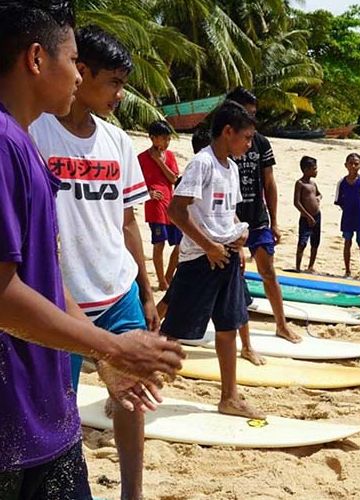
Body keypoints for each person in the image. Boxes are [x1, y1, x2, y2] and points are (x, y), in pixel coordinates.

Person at [0, 4, 183, 497]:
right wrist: (108, 345)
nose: (80, 79)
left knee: (125, 404)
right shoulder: (14, 141)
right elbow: (4, 293)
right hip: (19, 393)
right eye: (73, 60)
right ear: (39, 59)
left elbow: (56, 267)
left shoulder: (39, 141)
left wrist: (115, 338)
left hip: (88, 316)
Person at [29, 25, 160, 499]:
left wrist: (145, 290)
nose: (121, 96)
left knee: (131, 397)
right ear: (81, 73)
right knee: (57, 409)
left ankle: (132, 492)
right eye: (115, 83)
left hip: (117, 288)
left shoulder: (117, 142)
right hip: (57, 297)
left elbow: (128, 223)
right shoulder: (33, 131)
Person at [162, 100, 266, 419]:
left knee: (228, 327)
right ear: (227, 131)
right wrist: (208, 246)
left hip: (227, 257)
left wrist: (238, 234)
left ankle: (229, 397)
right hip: (201, 261)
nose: (249, 145)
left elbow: (227, 211)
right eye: (246, 138)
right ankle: (129, 382)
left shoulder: (231, 168)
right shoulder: (202, 163)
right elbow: (176, 210)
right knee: (171, 331)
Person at [193, 87, 301, 344]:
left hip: (256, 217)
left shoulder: (259, 142)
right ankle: (245, 341)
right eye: (246, 113)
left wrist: (274, 221)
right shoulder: (218, 145)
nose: (250, 118)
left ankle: (281, 325)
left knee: (268, 271)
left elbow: (269, 182)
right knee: (233, 279)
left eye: (253, 114)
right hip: (224, 222)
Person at [139, 119, 181, 291]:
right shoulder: (141, 158)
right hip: (154, 206)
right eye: (163, 139)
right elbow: (134, 181)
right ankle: (161, 281)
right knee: (159, 243)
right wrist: (147, 193)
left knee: (180, 244)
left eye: (168, 139)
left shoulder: (169, 156)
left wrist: (159, 161)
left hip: (171, 205)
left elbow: (174, 179)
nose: (166, 142)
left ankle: (168, 276)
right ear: (153, 138)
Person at [334, 153, 360, 277]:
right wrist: (348, 210)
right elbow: (339, 201)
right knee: (347, 242)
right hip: (347, 218)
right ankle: (347, 270)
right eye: (350, 163)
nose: (353, 166)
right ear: (346, 165)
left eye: (356, 164)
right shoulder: (342, 183)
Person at [294, 155, 322, 272]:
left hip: (317, 215)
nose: (316, 171)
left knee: (315, 242)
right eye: (314, 169)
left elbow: (319, 194)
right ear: (306, 170)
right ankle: (298, 267)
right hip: (306, 217)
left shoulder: (313, 184)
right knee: (302, 242)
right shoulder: (300, 184)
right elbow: (296, 202)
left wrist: (318, 198)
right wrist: (307, 216)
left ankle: (311, 266)